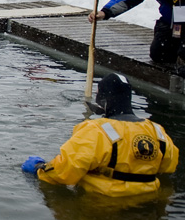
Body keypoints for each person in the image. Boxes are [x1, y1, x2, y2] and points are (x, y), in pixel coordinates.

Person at [22, 74, 178, 197]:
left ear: (102, 99)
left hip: (103, 203)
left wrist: (39, 169)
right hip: (148, 200)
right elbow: (169, 166)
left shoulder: (96, 131)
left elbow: (65, 171)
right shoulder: (157, 131)